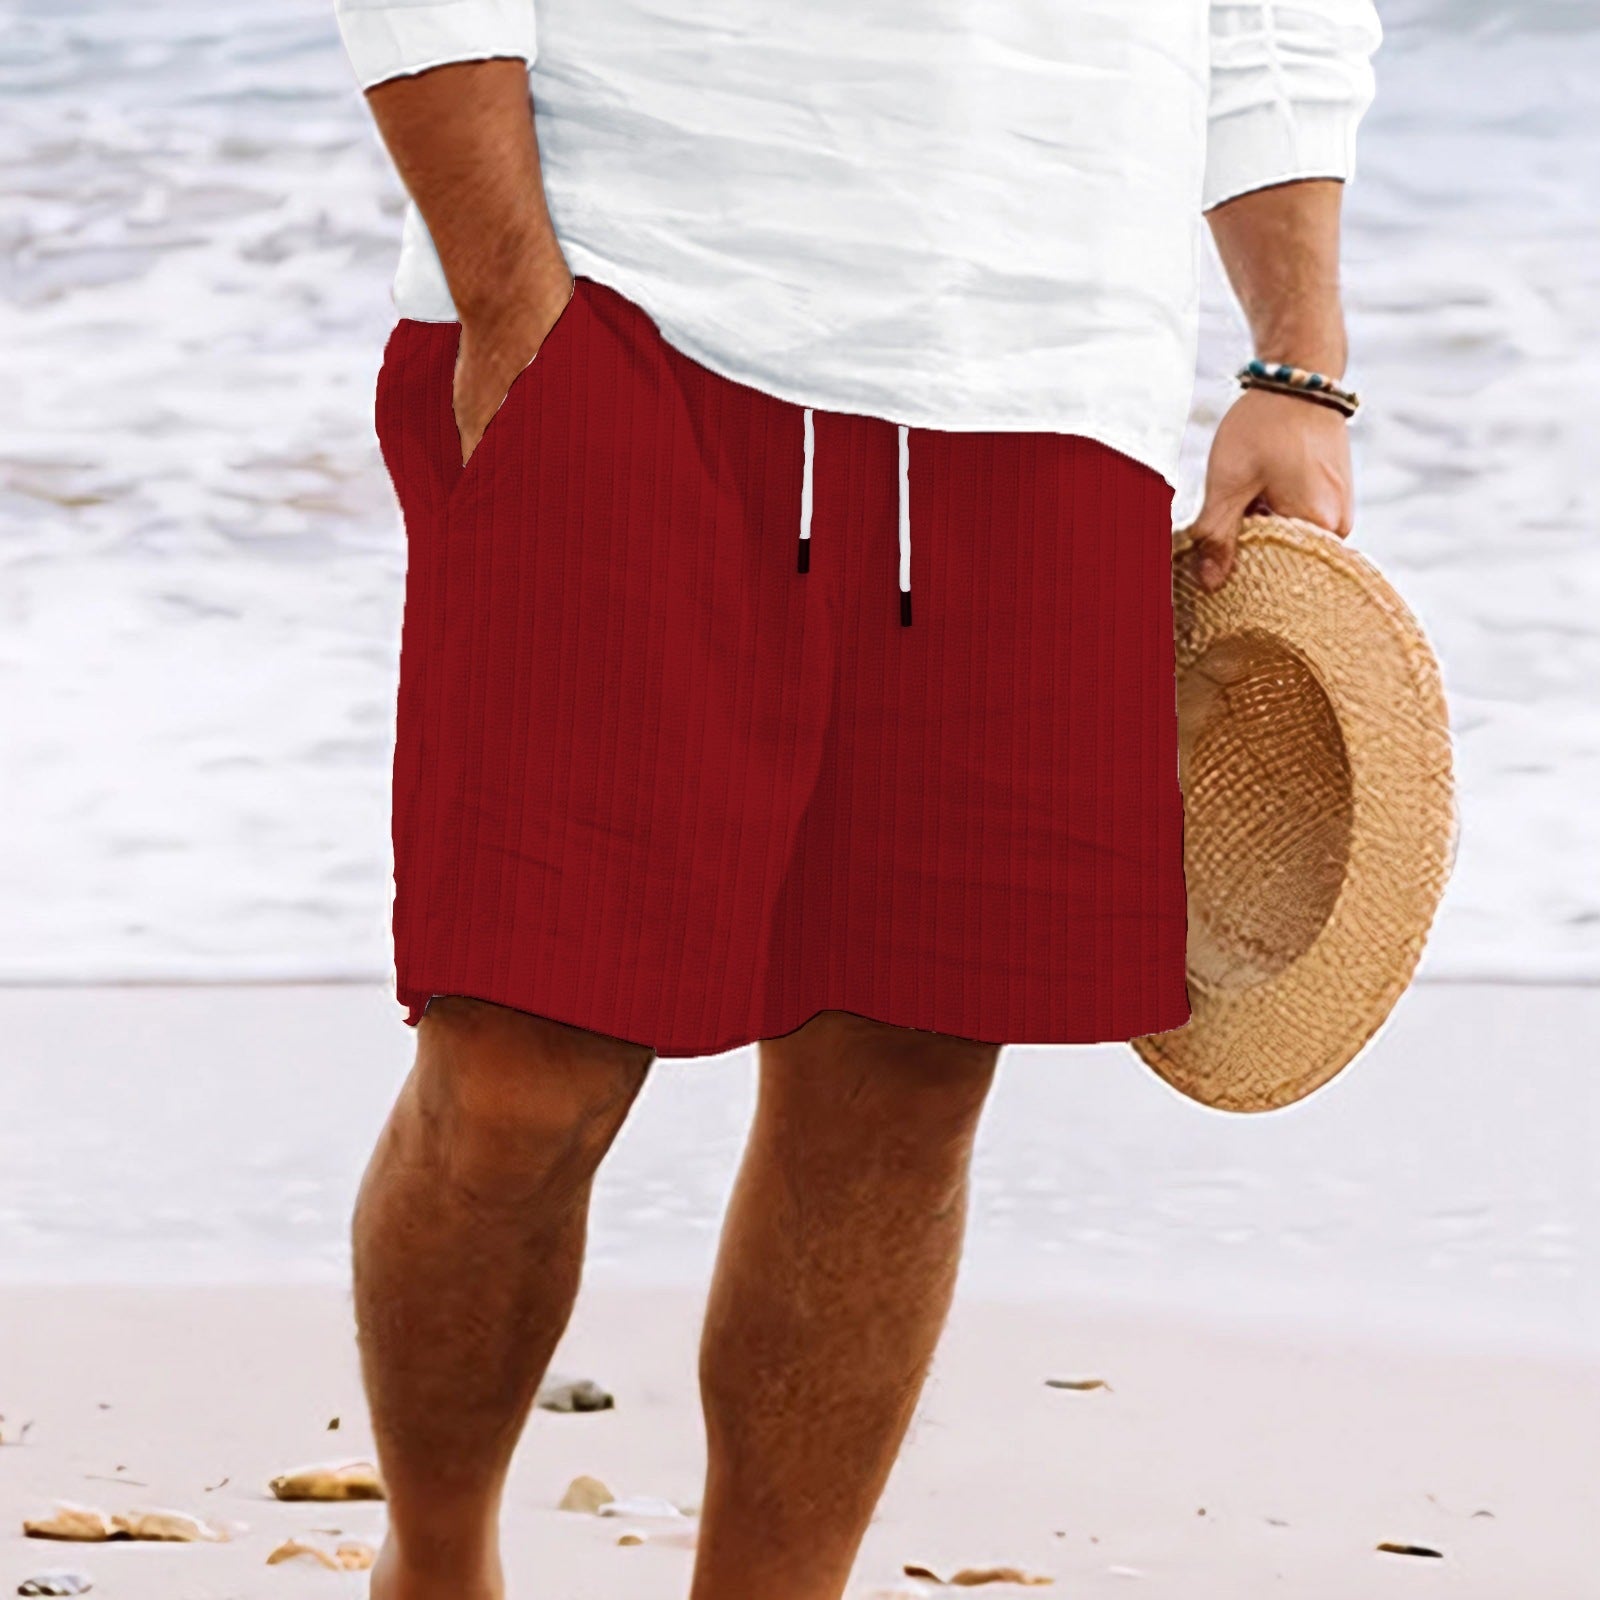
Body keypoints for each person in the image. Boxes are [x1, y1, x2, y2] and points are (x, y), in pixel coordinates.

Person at [331, 2, 1382, 1595]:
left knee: (901, 1078)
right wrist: (507, 294)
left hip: (1049, 362)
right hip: (630, 302)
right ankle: (436, 1567)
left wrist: (1297, 362)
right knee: (519, 1071)